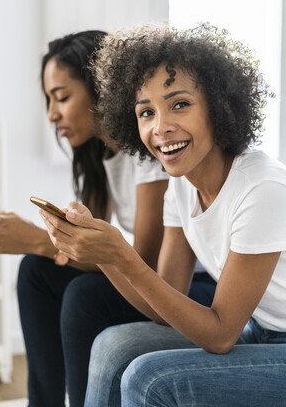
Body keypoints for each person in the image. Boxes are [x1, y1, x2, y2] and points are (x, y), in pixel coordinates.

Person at [39, 23, 286, 407]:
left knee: (150, 379)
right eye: (146, 112)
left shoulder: (261, 187)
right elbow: (163, 309)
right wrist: (103, 254)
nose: (160, 127)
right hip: (260, 331)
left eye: (180, 104)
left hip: (273, 342)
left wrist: (121, 254)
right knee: (112, 343)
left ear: (219, 107)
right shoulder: (182, 185)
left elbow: (221, 335)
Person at [0, 30, 215, 407]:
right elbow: (94, 251)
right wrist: (46, 244)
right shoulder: (99, 158)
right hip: (148, 277)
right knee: (36, 271)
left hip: (192, 288)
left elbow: (142, 264)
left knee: (83, 295)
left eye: (62, 98)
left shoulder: (155, 152)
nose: (52, 114)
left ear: (99, 91)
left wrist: (38, 239)